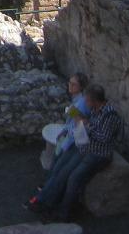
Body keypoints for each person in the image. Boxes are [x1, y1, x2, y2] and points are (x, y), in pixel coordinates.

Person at [32, 85, 123, 221]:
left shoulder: (109, 114)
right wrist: (79, 118)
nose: (86, 104)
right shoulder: (95, 109)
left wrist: (86, 125)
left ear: (94, 101)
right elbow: (87, 124)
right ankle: (47, 201)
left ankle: (64, 212)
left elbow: (104, 137)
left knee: (74, 178)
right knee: (63, 170)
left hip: (98, 154)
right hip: (86, 147)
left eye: (87, 101)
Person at [29, 74, 92, 211]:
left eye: (73, 84)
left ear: (81, 87)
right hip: (70, 139)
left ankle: (45, 198)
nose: (70, 85)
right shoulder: (78, 100)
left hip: (73, 142)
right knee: (56, 168)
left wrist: (66, 136)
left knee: (59, 170)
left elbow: (79, 125)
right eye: (70, 82)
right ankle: (45, 191)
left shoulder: (80, 103)